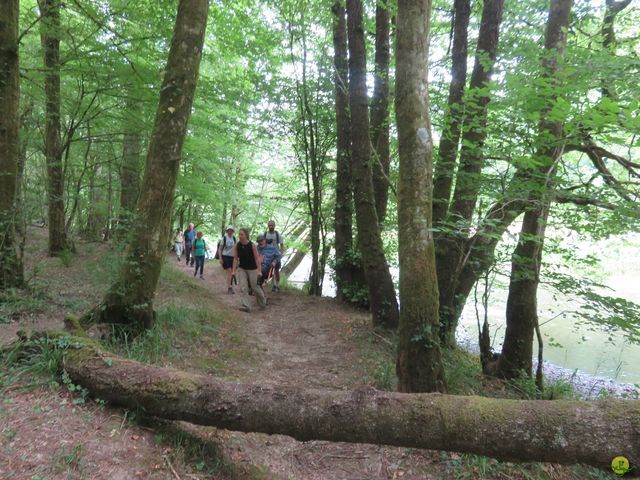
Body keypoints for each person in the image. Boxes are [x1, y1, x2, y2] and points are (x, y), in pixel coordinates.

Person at [233, 228, 266, 312]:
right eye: (239, 234)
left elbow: (257, 258)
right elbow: (235, 259)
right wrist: (233, 271)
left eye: (242, 234)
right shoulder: (237, 245)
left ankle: (262, 302)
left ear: (246, 235)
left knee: (255, 287)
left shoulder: (252, 245)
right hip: (242, 268)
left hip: (253, 269)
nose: (240, 236)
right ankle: (247, 306)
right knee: (243, 287)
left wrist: (259, 271)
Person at [264, 220, 284, 291]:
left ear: (274, 226)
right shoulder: (265, 234)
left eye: (272, 225)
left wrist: (281, 254)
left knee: (276, 270)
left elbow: (281, 245)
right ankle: (270, 284)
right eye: (270, 225)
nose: (271, 226)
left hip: (276, 255)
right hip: (268, 255)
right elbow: (263, 245)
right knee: (267, 270)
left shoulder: (277, 235)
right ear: (268, 226)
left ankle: (277, 285)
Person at [218, 225, 236, 294]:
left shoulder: (234, 238)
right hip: (225, 256)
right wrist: (220, 258)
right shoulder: (224, 238)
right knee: (230, 271)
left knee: (232, 272)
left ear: (233, 231)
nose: (230, 232)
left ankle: (230, 286)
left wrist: (237, 258)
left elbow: (236, 249)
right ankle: (230, 287)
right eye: (229, 230)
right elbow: (220, 249)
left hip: (232, 257)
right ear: (227, 231)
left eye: (231, 230)